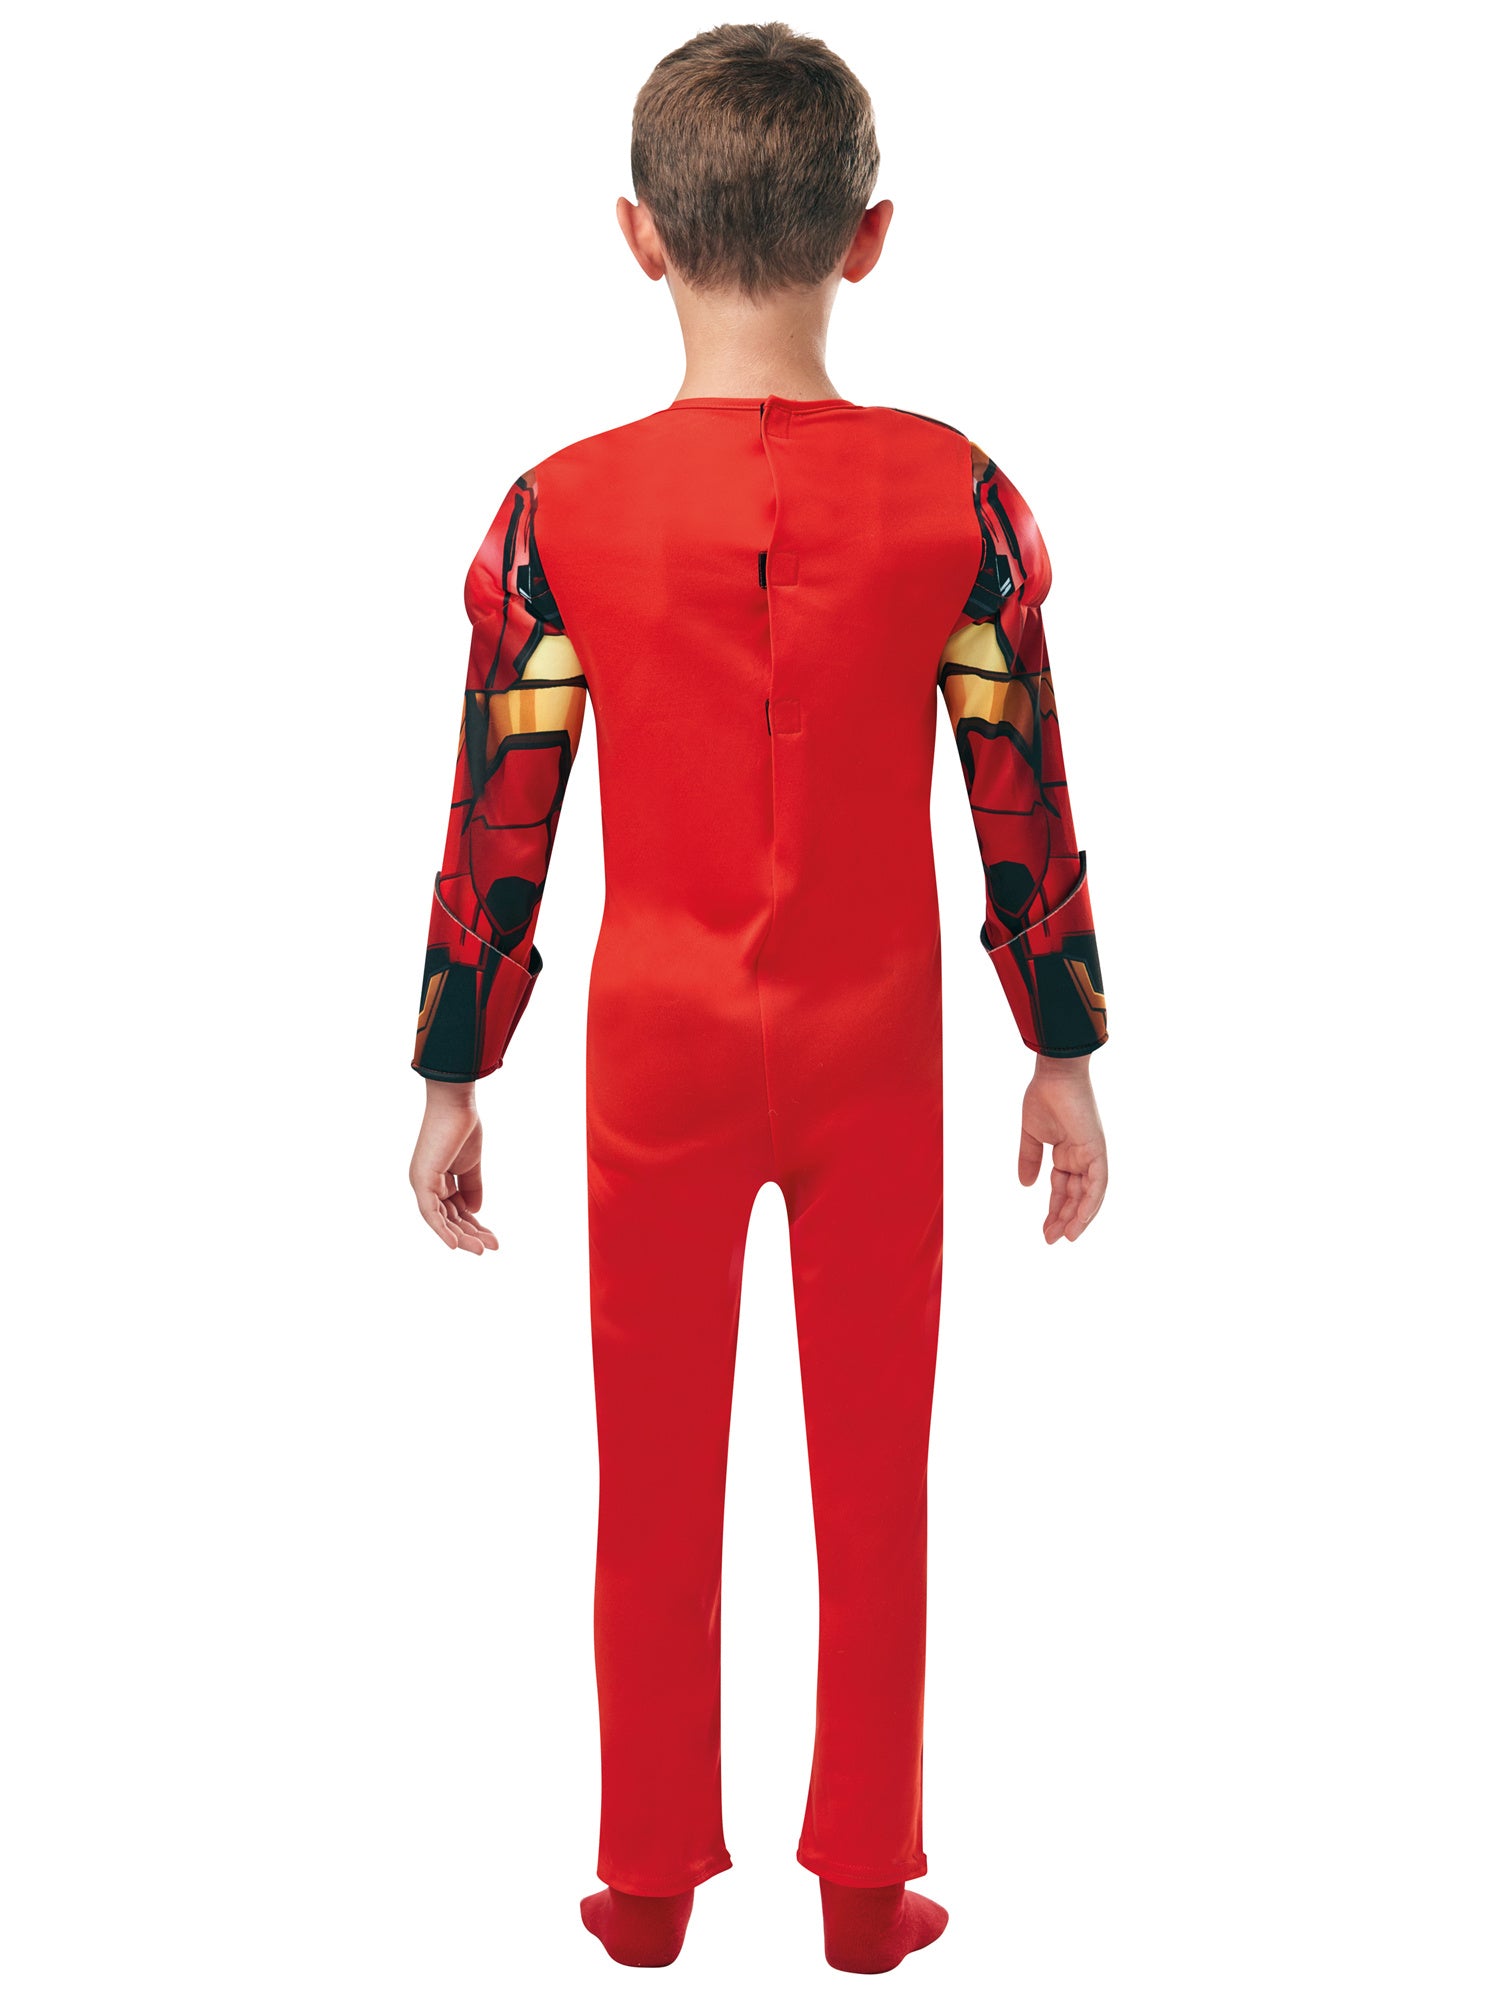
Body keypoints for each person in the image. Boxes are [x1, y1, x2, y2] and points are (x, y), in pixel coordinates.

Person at [407, 21, 1108, 1975]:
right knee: (879, 1470)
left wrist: (458, 1068)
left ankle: (645, 1882)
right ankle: (867, 1885)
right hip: (879, 1046)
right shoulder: (962, 497)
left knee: (652, 1465)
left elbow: (504, 802)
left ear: (637, 234)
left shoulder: (554, 511)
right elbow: (1018, 783)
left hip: (659, 1052)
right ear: (868, 237)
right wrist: (1060, 1045)